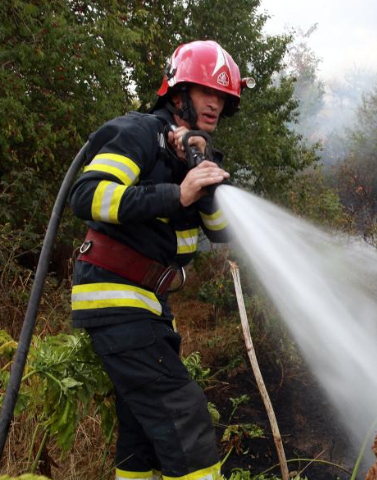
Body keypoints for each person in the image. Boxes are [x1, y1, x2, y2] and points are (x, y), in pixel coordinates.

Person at [69, 40, 248, 480]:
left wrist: (200, 180)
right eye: (207, 92)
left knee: (142, 438)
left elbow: (223, 230)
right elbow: (87, 195)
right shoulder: (138, 133)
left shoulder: (194, 154)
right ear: (177, 92)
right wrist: (177, 191)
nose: (216, 104)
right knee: (186, 421)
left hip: (149, 306)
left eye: (223, 97)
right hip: (117, 297)